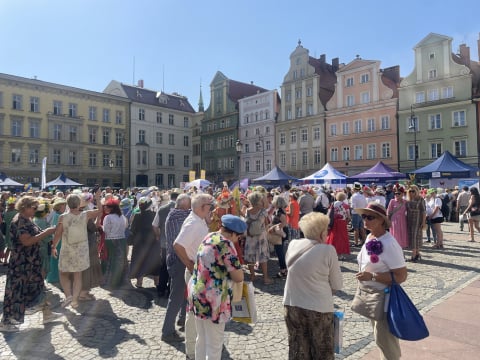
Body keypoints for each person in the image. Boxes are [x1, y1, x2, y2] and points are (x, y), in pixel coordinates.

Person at [283, 212, 343, 360]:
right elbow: (337, 284)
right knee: (322, 350)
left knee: (298, 349)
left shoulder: (293, 244)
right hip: (319, 307)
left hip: (292, 304)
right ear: (322, 232)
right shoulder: (328, 250)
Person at [354, 202, 407, 360]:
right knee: (379, 339)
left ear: (382, 220)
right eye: (364, 216)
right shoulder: (370, 236)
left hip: (385, 299)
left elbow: (401, 276)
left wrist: (372, 276)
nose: (365, 220)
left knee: (386, 341)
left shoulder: (390, 244)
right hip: (371, 296)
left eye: (370, 217)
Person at [188, 214, 245, 359]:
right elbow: (238, 276)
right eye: (238, 237)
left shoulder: (209, 237)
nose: (237, 240)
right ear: (232, 233)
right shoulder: (226, 244)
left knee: (201, 339)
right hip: (215, 300)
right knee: (214, 345)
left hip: (198, 294)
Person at [0, 196, 60, 332]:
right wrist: (46, 232)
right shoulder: (20, 221)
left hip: (31, 263)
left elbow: (35, 235)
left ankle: (47, 313)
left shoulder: (28, 219)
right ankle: (5, 322)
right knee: (15, 292)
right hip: (22, 264)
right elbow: (26, 241)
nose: (35, 210)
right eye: (33, 207)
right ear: (24, 207)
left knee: (39, 287)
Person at [173, 193, 213, 359]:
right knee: (193, 314)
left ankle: (199, 345)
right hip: (195, 272)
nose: (211, 208)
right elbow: (177, 245)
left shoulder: (199, 219)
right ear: (201, 208)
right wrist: (190, 265)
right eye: (209, 206)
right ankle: (191, 351)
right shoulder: (193, 223)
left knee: (197, 312)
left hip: (200, 271)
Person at [50, 191, 102, 309]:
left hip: (67, 249)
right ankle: (74, 301)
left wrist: (53, 247)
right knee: (78, 275)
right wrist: (98, 198)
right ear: (79, 203)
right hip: (81, 250)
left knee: (63, 273)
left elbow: (58, 234)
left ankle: (68, 295)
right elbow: (100, 211)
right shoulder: (86, 214)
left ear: (68, 204)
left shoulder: (63, 217)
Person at [161, 194, 191, 342]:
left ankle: (183, 319)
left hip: (178, 259)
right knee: (176, 297)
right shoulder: (179, 216)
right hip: (178, 260)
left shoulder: (176, 213)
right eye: (190, 204)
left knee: (185, 293)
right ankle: (167, 332)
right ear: (185, 205)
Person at [153, 189, 182, 297]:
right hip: (178, 243)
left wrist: (158, 236)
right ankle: (171, 289)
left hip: (164, 243)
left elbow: (155, 225)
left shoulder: (162, 209)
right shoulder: (182, 209)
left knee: (164, 266)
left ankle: (161, 288)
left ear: (170, 197)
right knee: (176, 266)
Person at [129, 197, 161, 289]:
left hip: (139, 243)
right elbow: (158, 228)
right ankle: (157, 282)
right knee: (154, 262)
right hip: (152, 243)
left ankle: (139, 283)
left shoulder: (137, 215)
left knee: (140, 262)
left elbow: (132, 229)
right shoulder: (154, 214)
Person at [244, 191, 273, 285]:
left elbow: (246, 224)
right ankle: (265, 278)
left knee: (250, 256)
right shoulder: (263, 211)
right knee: (263, 257)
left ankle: (252, 275)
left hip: (250, 236)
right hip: (261, 236)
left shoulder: (247, 211)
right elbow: (266, 224)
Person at [100, 198, 129, 289]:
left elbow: (106, 230)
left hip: (111, 240)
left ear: (112, 208)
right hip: (122, 239)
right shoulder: (122, 216)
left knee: (111, 260)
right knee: (121, 260)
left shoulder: (108, 217)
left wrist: (100, 226)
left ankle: (111, 281)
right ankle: (120, 280)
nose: (105, 209)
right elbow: (126, 226)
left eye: (106, 207)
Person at [46, 197, 67, 283]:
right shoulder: (58, 216)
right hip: (59, 239)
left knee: (57, 258)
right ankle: (56, 276)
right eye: (63, 206)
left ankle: (56, 275)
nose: (65, 208)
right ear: (59, 207)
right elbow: (58, 230)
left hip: (59, 238)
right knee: (57, 258)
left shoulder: (57, 215)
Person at [326, 192, 351, 260]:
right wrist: (347, 220)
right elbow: (348, 216)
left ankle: (331, 252)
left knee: (333, 237)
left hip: (334, 222)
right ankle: (339, 254)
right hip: (342, 223)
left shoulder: (333, 204)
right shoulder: (346, 205)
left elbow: (329, 213)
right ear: (344, 198)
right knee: (342, 238)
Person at [268, 195, 289, 278]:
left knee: (280, 252)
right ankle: (283, 269)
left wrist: (273, 228)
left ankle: (283, 270)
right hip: (279, 233)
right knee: (280, 252)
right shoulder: (279, 210)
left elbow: (284, 223)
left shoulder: (280, 212)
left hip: (279, 233)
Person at [406, 185, 427, 260]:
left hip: (418, 219)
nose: (412, 193)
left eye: (413, 191)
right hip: (409, 219)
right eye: (410, 191)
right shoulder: (408, 200)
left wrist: (423, 222)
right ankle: (417, 253)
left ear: (417, 191)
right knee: (411, 236)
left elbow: (424, 211)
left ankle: (414, 255)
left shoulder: (421, 199)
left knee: (415, 237)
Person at [386, 184, 408, 249]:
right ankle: (395, 246)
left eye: (399, 193)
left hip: (403, 220)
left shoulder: (405, 202)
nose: (397, 195)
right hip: (394, 220)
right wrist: (388, 220)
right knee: (395, 233)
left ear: (402, 194)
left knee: (402, 233)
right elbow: (388, 211)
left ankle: (402, 246)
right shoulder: (392, 201)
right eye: (395, 193)